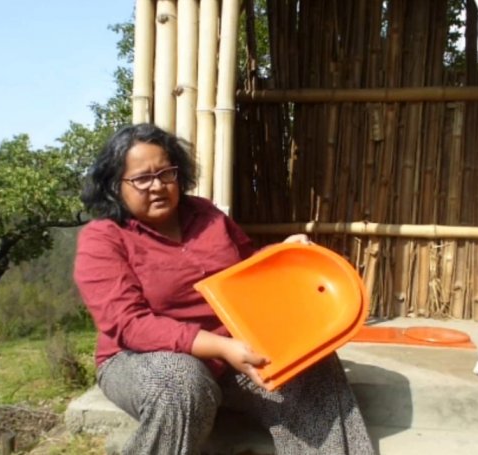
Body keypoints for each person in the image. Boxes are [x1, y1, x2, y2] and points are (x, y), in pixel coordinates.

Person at [73, 123, 375, 455]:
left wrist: (282, 254)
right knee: (180, 383)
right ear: (115, 187)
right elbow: (129, 325)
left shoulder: (205, 214)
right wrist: (220, 346)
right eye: (142, 178)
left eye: (166, 173)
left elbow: (244, 272)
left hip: (233, 351)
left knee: (312, 363)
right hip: (142, 359)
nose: (157, 186)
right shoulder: (103, 238)